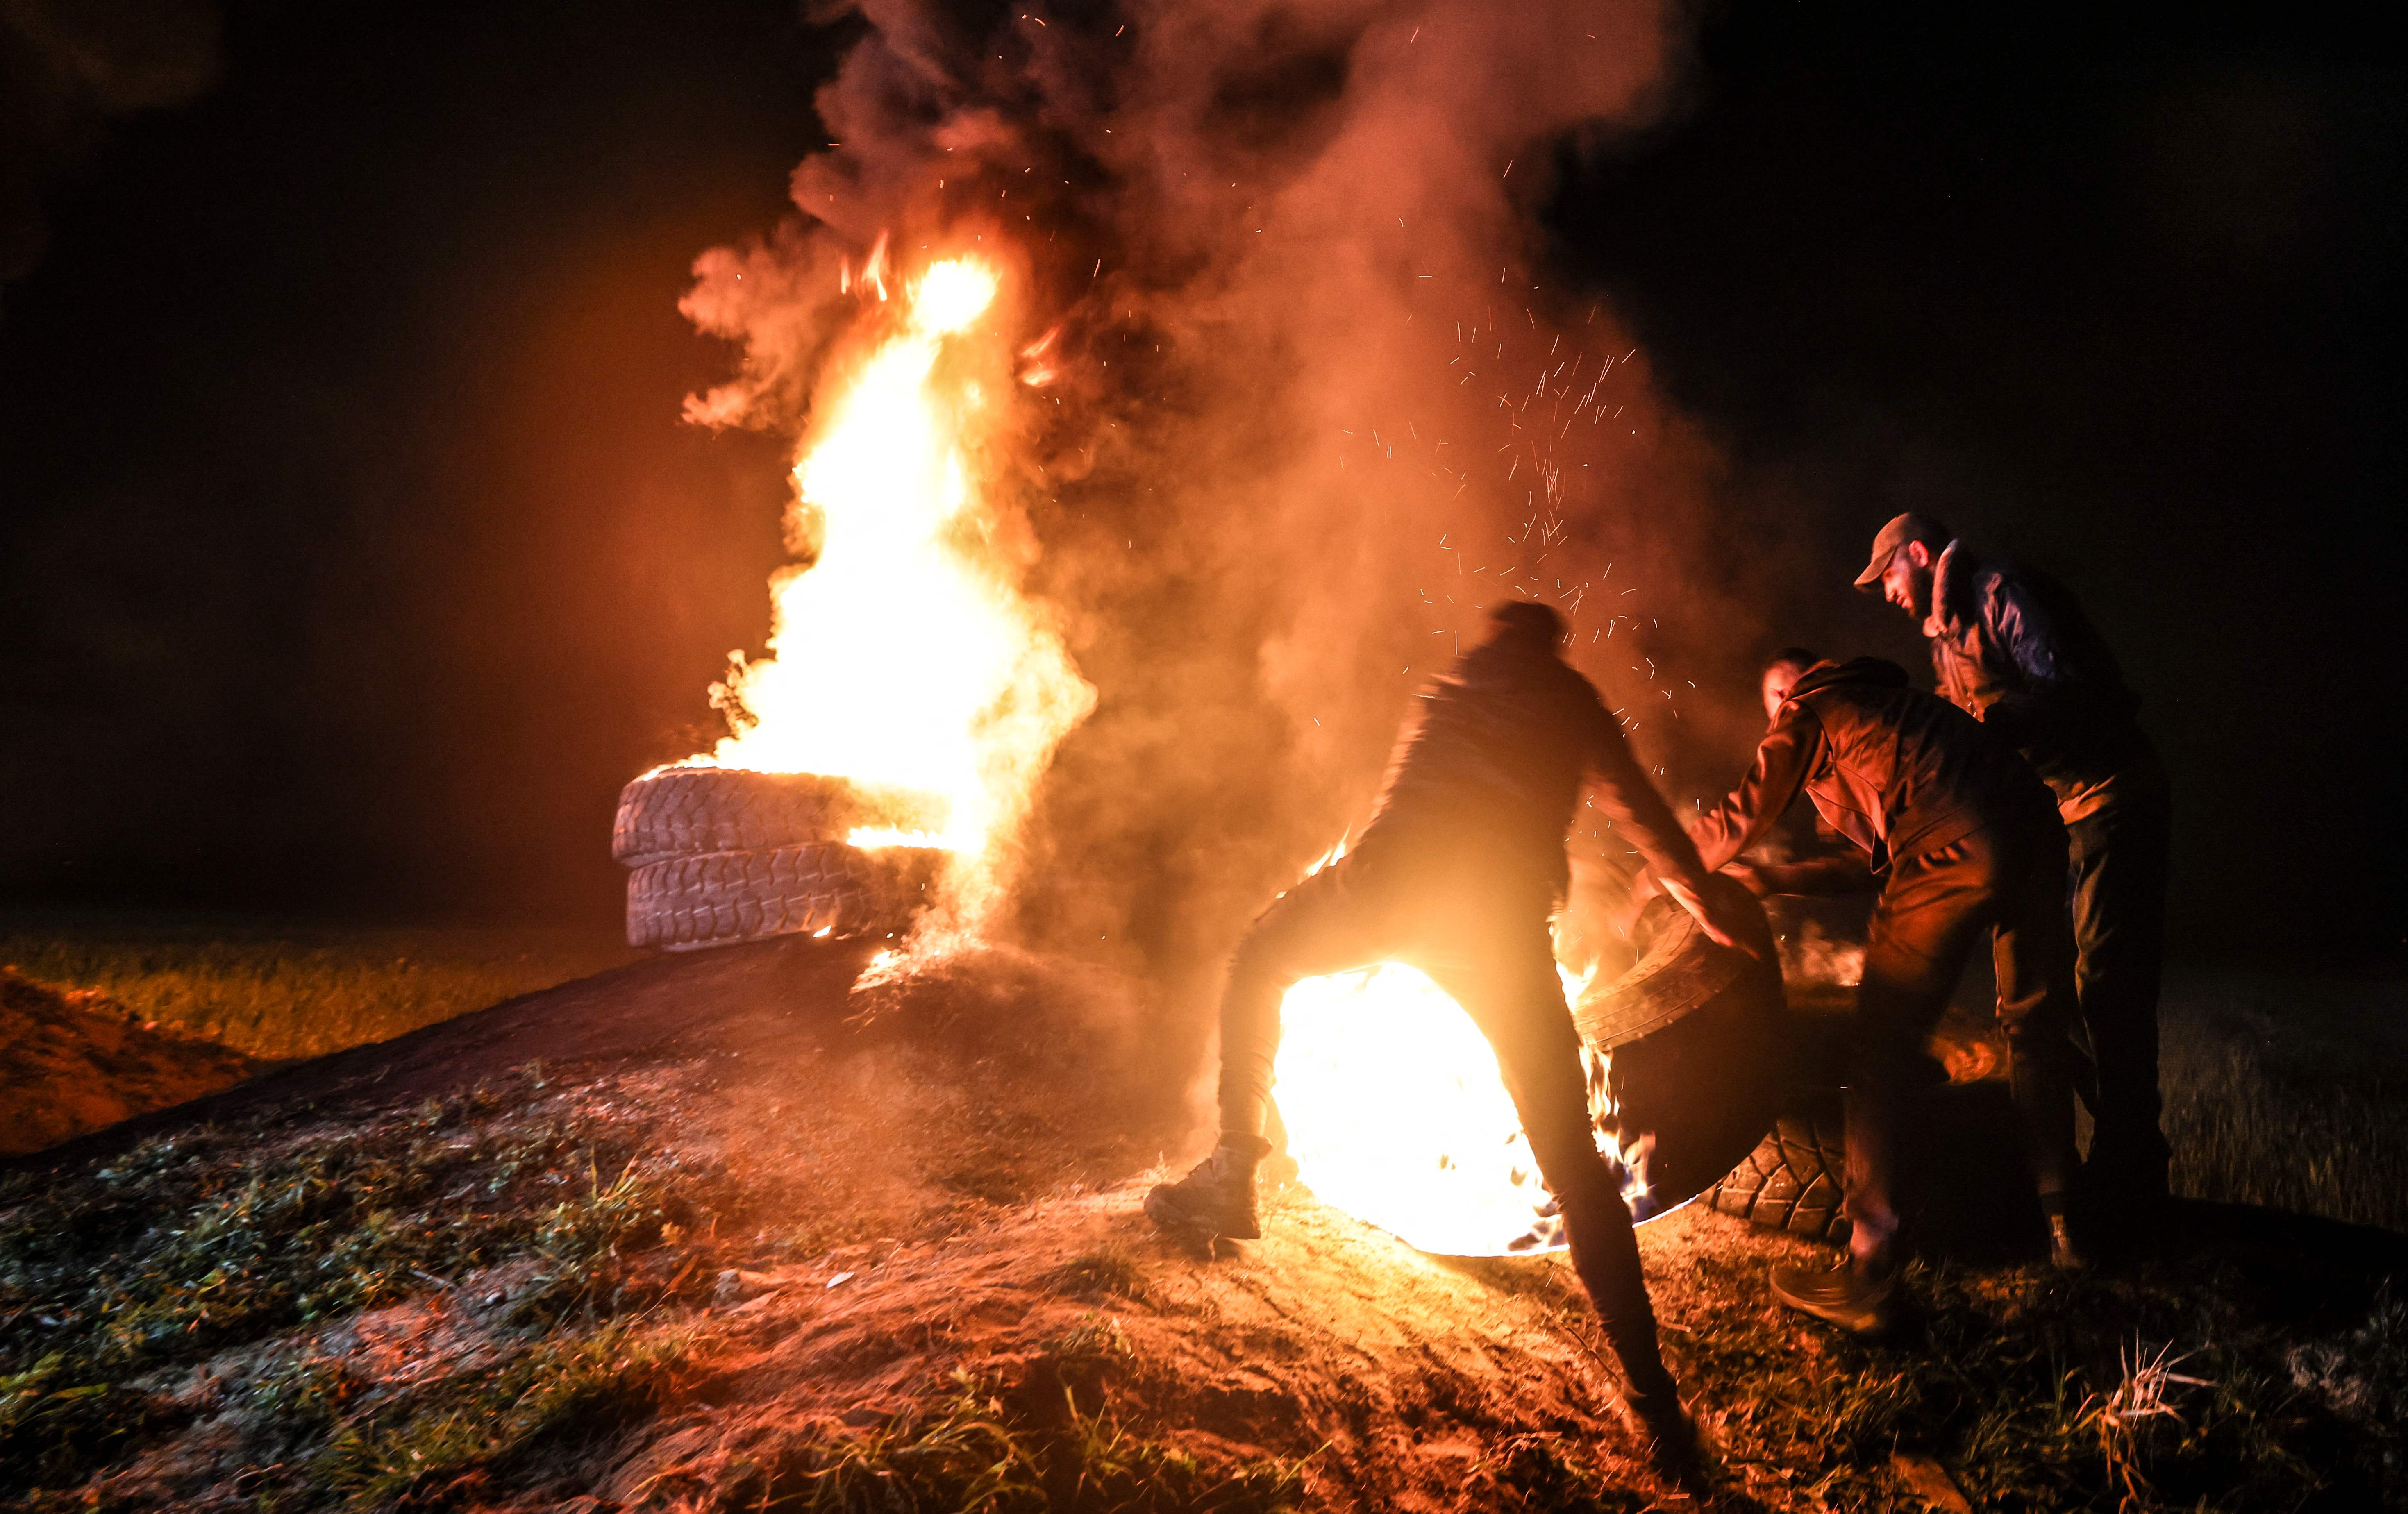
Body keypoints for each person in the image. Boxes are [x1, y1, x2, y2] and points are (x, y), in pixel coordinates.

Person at [1146, 600, 1758, 1483]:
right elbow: (1641, 816)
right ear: (1553, 644)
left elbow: (1402, 795)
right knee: (1576, 1167)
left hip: (1387, 885)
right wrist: (1701, 903)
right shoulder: (1575, 701)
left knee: (1259, 962)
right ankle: (1657, 1408)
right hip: (1497, 928)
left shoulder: (1454, 681)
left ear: (1497, 635)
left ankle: (1233, 1166)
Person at [1679, 649, 2084, 1333]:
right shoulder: (1893, 719)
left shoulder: (1815, 708)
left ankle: (1868, 1273)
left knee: (1879, 1047)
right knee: (2034, 1027)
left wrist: (1662, 869)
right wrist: (1779, 880)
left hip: (1957, 842)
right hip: (2039, 834)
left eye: (1784, 693)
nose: (1779, 709)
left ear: (1804, 687)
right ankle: (2071, 1226)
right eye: (1771, 698)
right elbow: (1883, 858)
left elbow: (1740, 815)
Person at [1857, 513, 2173, 1213]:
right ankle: (2113, 1155)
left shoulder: (2001, 593)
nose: (1886, 594)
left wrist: (1994, 727)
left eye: (1888, 576)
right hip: (2063, 818)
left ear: (1917, 553)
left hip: (2112, 797)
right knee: (2044, 994)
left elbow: (2070, 690)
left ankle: (2132, 1171)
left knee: (2108, 983)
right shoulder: (1947, 638)